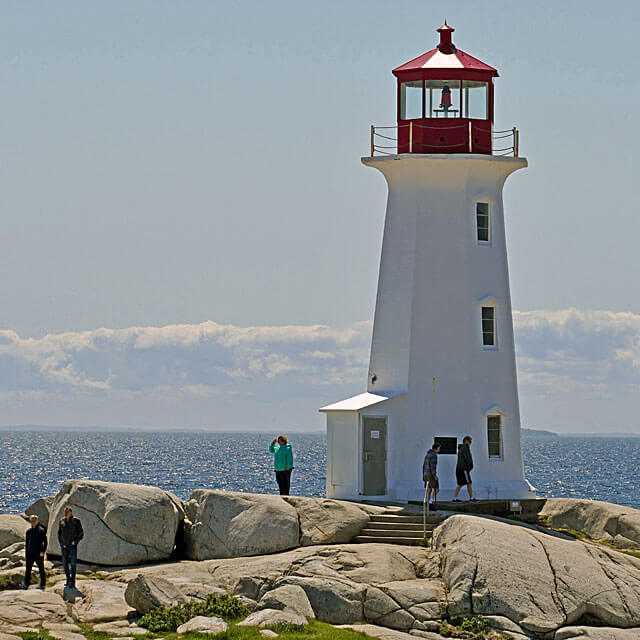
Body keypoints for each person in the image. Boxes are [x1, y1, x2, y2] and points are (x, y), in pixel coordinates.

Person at [58, 506, 84, 589]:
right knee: (65, 564)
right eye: (65, 511)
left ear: (71, 512)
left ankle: (72, 581)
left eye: (67, 511)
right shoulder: (61, 521)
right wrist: (61, 542)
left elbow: (81, 533)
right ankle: (67, 579)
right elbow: (59, 533)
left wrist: (75, 542)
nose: (65, 513)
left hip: (72, 546)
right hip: (64, 546)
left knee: (73, 564)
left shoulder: (76, 521)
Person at [20, 515, 47, 590]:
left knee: (41, 569)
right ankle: (26, 584)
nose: (33, 522)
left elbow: (45, 543)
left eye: (34, 520)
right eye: (32, 520)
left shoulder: (41, 531)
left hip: (38, 553)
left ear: (37, 521)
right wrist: (26, 552)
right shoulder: (28, 531)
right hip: (30, 553)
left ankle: (42, 584)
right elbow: (27, 542)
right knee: (28, 569)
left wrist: (42, 551)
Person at [453, 435, 477, 502]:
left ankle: (455, 498)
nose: (470, 443)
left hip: (460, 469)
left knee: (460, 484)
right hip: (464, 469)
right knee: (469, 482)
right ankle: (471, 498)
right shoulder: (465, 448)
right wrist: (469, 467)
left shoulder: (461, 448)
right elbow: (468, 459)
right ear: (466, 441)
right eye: (469, 441)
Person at [422, 442, 441, 510]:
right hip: (430, 474)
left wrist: (423, 475)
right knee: (437, 489)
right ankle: (430, 502)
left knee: (429, 489)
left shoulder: (427, 454)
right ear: (437, 448)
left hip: (425, 474)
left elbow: (424, 465)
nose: (439, 450)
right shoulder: (434, 455)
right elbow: (433, 466)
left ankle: (428, 503)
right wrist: (435, 475)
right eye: (439, 448)